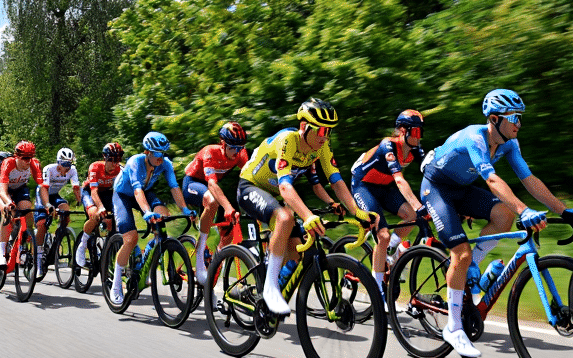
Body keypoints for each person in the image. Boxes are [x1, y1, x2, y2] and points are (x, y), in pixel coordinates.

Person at [420, 88, 573, 358]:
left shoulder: (509, 143)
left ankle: (472, 263)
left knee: (503, 216)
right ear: (495, 119)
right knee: (460, 252)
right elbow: (492, 180)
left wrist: (564, 210)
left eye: (520, 118)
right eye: (514, 118)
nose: (519, 124)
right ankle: (453, 327)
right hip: (436, 188)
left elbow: (528, 178)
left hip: (462, 188)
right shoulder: (475, 138)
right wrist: (524, 210)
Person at [238, 98, 377, 316]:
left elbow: (337, 182)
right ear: (305, 127)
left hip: (272, 193)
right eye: (321, 131)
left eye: (329, 131)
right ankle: (269, 288)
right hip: (250, 186)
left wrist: (358, 212)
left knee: (295, 254)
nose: (325, 137)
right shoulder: (288, 140)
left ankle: (268, 295)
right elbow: (285, 187)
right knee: (285, 218)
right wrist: (308, 215)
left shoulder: (321, 148)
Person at [106, 132, 195, 306]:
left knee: (163, 219)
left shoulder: (165, 164)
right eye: (157, 154)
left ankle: (146, 259)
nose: (161, 158)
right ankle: (116, 283)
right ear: (147, 152)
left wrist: (185, 209)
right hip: (124, 194)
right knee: (131, 239)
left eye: (164, 153)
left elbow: (174, 187)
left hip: (145, 192)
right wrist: (146, 212)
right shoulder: (135, 162)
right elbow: (137, 190)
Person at [350, 109, 430, 296]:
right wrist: (419, 206)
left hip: (383, 187)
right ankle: (377, 291)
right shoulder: (388, 145)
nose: (419, 137)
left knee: (410, 216)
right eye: (416, 132)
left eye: (421, 132)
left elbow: (430, 173)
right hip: (363, 186)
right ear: (403, 131)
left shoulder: (416, 149)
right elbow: (400, 180)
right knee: (383, 235)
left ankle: (391, 249)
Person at [182, 122, 250, 283]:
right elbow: (212, 184)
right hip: (193, 183)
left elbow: (249, 177)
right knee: (213, 201)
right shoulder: (210, 152)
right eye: (233, 148)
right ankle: (199, 253)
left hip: (211, 186)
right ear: (223, 144)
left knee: (231, 226)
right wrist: (227, 207)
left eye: (240, 148)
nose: (237, 152)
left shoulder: (240, 153)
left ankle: (215, 261)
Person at [0, 141, 45, 266]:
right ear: (17, 157)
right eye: (25, 158)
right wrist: (8, 203)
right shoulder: (8, 163)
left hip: (19, 189)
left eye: (30, 157)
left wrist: (48, 204)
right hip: (4, 190)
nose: (28, 161)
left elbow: (42, 186)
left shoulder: (34, 163)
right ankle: (1, 255)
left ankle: (26, 235)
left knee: (27, 207)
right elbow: (3, 192)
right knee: (7, 212)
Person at [76, 143, 123, 267]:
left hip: (107, 193)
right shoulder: (95, 167)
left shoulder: (120, 169)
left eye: (118, 160)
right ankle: (82, 245)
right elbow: (94, 192)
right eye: (112, 160)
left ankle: (110, 248)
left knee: (118, 218)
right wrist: (101, 208)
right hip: (89, 192)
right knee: (95, 215)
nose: (115, 163)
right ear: (105, 158)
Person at [38, 147, 80, 269]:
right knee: (41, 223)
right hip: (43, 193)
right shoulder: (49, 169)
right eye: (65, 164)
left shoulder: (72, 170)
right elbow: (44, 188)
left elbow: (76, 187)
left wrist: (79, 201)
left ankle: (58, 236)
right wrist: (48, 206)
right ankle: (38, 257)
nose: (67, 167)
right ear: (58, 163)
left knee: (66, 210)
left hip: (55, 194)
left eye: (69, 164)